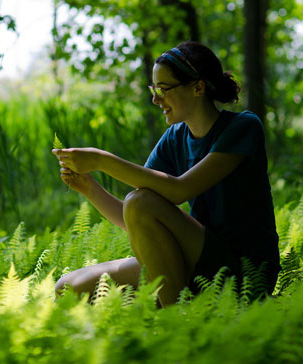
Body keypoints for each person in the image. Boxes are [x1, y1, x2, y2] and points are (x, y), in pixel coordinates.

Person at [52, 41, 280, 307]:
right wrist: (89, 188)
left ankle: (177, 322)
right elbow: (136, 217)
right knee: (68, 287)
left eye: (163, 89)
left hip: (245, 271)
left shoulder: (243, 127)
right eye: (154, 89)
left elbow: (179, 190)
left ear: (198, 87)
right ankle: (176, 303)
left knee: (139, 201)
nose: (155, 99)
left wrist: (103, 161)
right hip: (196, 258)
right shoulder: (175, 137)